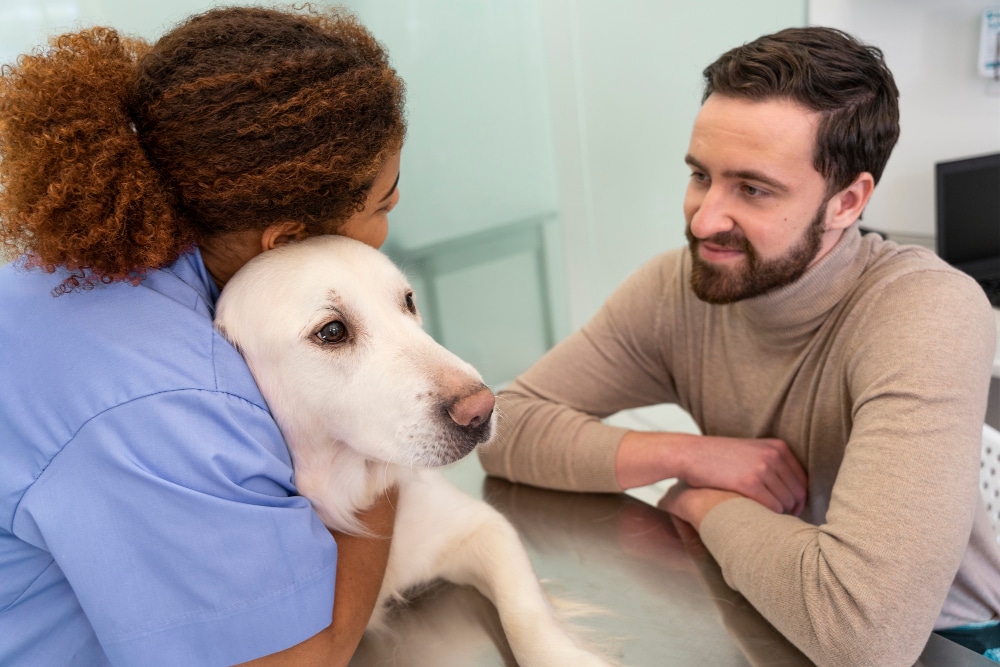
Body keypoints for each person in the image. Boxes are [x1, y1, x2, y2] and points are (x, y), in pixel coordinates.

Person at [479, 26, 1000, 666]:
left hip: (950, 644)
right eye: (701, 175)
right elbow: (504, 428)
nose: (703, 220)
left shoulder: (925, 309)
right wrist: (693, 455)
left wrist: (705, 502)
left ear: (846, 202)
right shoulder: (678, 289)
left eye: (752, 189)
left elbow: (864, 635)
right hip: (756, 607)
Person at [0, 6, 405, 666]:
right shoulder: (170, 401)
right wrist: (385, 452)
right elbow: (298, 660)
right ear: (286, 239)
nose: (392, 220)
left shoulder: (77, 266)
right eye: (382, 203)